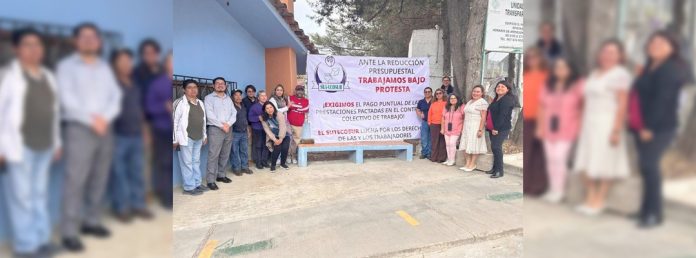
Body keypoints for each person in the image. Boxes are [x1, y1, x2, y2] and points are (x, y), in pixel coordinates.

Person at [57, 23, 122, 252]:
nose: (88, 40)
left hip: (105, 129)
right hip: (79, 129)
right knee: (75, 181)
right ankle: (69, 232)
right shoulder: (66, 67)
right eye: (83, 37)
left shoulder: (104, 68)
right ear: (76, 41)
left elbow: (115, 96)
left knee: (99, 178)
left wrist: (104, 118)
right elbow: (66, 98)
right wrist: (92, 120)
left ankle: (92, 221)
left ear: (98, 42)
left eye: (92, 37)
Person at [0, 28, 61, 258]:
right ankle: (26, 247)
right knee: (21, 197)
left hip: (45, 145)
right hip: (18, 146)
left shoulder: (48, 76)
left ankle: (42, 240)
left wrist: (56, 144)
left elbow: (53, 113)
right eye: (27, 44)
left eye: (38, 44)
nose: (34, 49)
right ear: (16, 48)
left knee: (39, 195)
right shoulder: (8, 75)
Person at [632, 31, 692, 228]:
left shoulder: (671, 69)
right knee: (646, 168)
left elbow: (662, 100)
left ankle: (654, 214)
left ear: (672, 47)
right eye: (652, 42)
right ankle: (645, 209)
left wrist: (649, 127)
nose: (655, 45)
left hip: (660, 127)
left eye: (661, 42)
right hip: (642, 126)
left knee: (650, 167)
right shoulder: (650, 66)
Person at [573, 40, 632, 216]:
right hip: (589, 122)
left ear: (620, 56)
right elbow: (585, 100)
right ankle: (590, 196)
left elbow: (622, 104)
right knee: (586, 161)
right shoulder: (595, 73)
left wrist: (616, 130)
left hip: (607, 122)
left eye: (613, 52)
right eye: (605, 51)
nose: (608, 55)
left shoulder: (620, 74)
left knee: (605, 162)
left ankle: (600, 200)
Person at [108, 48, 153, 222]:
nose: (126, 65)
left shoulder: (134, 85)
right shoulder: (111, 84)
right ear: (115, 64)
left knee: (137, 172)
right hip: (118, 136)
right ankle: (122, 207)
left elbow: (140, 110)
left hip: (136, 136)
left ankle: (138, 205)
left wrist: (145, 132)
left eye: (129, 61)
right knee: (119, 174)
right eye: (122, 61)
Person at [536, 57, 583, 203]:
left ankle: (560, 190)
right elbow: (542, 107)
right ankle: (554, 189)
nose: (560, 70)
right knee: (550, 159)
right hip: (549, 128)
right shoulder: (548, 86)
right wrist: (540, 127)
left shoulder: (578, 85)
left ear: (570, 70)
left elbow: (584, 106)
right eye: (558, 67)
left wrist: (581, 126)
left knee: (559, 159)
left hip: (568, 128)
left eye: (564, 67)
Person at [146, 51, 174, 208]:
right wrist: (164, 108)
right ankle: (166, 197)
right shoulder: (158, 84)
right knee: (163, 163)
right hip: (162, 129)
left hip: (178, 131)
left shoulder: (180, 88)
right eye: (171, 61)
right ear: (166, 64)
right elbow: (149, 107)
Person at [173, 80, 208, 196]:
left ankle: (197, 184)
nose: (193, 90)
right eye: (189, 87)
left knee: (196, 161)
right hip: (186, 138)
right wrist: (174, 140)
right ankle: (189, 187)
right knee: (187, 163)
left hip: (198, 137)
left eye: (195, 87)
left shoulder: (200, 103)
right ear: (184, 90)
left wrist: (204, 135)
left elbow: (203, 121)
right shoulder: (179, 103)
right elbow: (174, 122)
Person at [522, 47, 549, 195]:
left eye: (536, 57)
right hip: (527, 119)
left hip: (542, 119)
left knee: (540, 154)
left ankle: (539, 186)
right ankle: (528, 184)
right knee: (528, 153)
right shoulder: (525, 75)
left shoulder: (546, 75)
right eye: (530, 57)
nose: (533, 60)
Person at [203, 77, 236, 190]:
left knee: (225, 154)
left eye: (222, 83)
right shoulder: (208, 98)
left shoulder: (228, 99)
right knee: (213, 155)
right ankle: (210, 180)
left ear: (225, 86)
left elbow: (234, 112)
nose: (220, 85)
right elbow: (209, 115)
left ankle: (221, 175)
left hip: (228, 128)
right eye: (217, 83)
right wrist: (222, 125)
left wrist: (228, 124)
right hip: (215, 129)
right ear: (213, 86)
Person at [487, 81, 517, 179]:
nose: (499, 88)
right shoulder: (497, 99)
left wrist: (496, 128)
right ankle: (495, 168)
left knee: (496, 147)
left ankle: (500, 171)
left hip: (501, 128)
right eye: (498, 86)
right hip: (493, 128)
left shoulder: (507, 99)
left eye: (502, 86)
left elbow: (502, 115)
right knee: (494, 148)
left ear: (507, 89)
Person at [458, 85, 489, 171]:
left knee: (474, 144)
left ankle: (472, 164)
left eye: (478, 91)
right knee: (465, 144)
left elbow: (483, 117)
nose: (475, 93)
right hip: (466, 125)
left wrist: (480, 129)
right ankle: (467, 163)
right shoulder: (469, 102)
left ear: (482, 93)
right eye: (474, 91)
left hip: (476, 126)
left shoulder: (482, 102)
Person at [260, 102, 291, 172]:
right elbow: (267, 130)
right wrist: (275, 139)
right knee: (277, 148)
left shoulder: (279, 114)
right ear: (265, 110)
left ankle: (282, 164)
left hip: (284, 133)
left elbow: (282, 126)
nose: (270, 109)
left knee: (285, 148)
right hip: (274, 135)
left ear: (273, 107)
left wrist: (280, 138)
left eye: (271, 107)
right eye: (267, 108)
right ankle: (273, 165)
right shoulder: (263, 118)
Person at [230, 89, 252, 176]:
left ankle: (245, 167)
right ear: (232, 97)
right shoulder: (231, 106)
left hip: (244, 132)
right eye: (236, 95)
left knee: (244, 151)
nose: (239, 97)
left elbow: (245, 119)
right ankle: (236, 168)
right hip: (234, 132)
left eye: (240, 95)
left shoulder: (243, 106)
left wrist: (248, 130)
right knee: (234, 151)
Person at [268, 84, 292, 164]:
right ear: (275, 91)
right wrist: (287, 107)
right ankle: (277, 158)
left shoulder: (282, 99)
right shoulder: (272, 99)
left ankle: (282, 158)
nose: (279, 91)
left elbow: (284, 112)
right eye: (277, 90)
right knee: (278, 140)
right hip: (277, 123)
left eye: (281, 90)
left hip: (285, 121)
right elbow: (276, 110)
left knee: (286, 139)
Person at [440, 94, 464, 166]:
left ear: (457, 99)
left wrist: (463, 129)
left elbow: (464, 118)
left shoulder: (461, 107)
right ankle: (449, 159)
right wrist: (442, 128)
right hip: (447, 129)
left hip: (457, 128)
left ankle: (452, 160)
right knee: (447, 144)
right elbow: (443, 118)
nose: (452, 100)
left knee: (452, 143)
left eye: (454, 98)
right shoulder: (446, 107)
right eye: (451, 98)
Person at [287, 85, 309, 165]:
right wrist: (297, 107)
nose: (299, 92)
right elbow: (289, 107)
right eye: (298, 90)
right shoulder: (290, 98)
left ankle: (293, 156)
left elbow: (305, 109)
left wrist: (295, 106)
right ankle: (288, 156)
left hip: (299, 124)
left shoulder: (306, 100)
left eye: (301, 90)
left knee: (296, 141)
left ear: (303, 91)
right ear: (295, 91)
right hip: (289, 123)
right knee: (288, 141)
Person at [249, 90, 270, 169]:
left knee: (266, 145)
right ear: (258, 97)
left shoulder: (268, 106)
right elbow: (250, 118)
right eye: (262, 96)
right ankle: (258, 162)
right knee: (258, 146)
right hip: (258, 129)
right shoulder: (254, 107)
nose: (264, 97)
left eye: (265, 95)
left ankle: (264, 161)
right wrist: (258, 118)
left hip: (267, 129)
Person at [428, 89, 447, 163]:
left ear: (443, 94)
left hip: (443, 124)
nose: (438, 95)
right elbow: (430, 113)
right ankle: (434, 157)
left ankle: (441, 158)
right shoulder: (433, 104)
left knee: (442, 142)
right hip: (434, 124)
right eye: (437, 94)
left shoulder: (446, 103)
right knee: (434, 142)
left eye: (440, 93)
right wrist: (429, 122)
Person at [416, 87, 433, 159]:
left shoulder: (434, 100)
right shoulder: (421, 101)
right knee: (424, 137)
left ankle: (429, 153)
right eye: (425, 92)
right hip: (425, 122)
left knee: (431, 138)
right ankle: (424, 153)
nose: (427, 93)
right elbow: (417, 109)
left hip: (433, 122)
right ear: (424, 93)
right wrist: (420, 114)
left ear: (431, 92)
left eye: (429, 92)